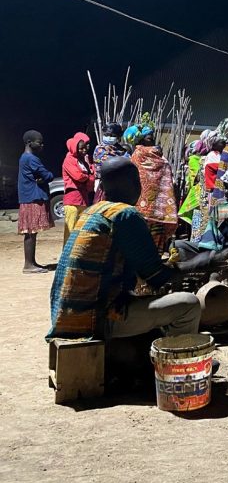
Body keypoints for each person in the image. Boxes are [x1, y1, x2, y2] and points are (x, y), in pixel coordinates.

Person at [48, 157, 203, 342]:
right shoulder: (126, 215)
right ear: (136, 183)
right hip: (95, 318)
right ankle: (180, 361)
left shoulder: (94, 211)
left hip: (67, 316)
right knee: (189, 304)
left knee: (143, 306)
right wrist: (204, 263)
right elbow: (155, 277)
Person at [126, 124, 179, 253]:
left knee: (147, 236)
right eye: (149, 138)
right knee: (149, 236)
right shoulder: (141, 155)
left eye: (152, 138)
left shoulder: (138, 155)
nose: (153, 141)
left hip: (150, 205)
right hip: (154, 207)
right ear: (141, 140)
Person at [17, 130, 54, 273]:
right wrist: (45, 177)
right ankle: (28, 265)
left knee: (31, 232)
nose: (42, 145)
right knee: (31, 231)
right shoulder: (31, 159)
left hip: (29, 196)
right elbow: (48, 175)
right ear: (29, 142)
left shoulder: (24, 158)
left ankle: (31, 262)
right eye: (39, 142)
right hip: (33, 197)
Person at [61, 131, 95, 243]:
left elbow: (91, 177)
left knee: (81, 230)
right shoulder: (69, 160)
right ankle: (67, 257)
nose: (84, 150)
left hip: (83, 199)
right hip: (73, 199)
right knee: (70, 230)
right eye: (81, 148)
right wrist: (88, 176)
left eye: (85, 147)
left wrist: (89, 176)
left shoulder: (84, 160)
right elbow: (79, 176)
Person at [92, 123, 128, 203]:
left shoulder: (122, 151)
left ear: (118, 137)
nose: (109, 137)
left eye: (112, 136)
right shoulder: (99, 149)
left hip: (119, 186)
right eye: (107, 135)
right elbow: (98, 166)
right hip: (103, 185)